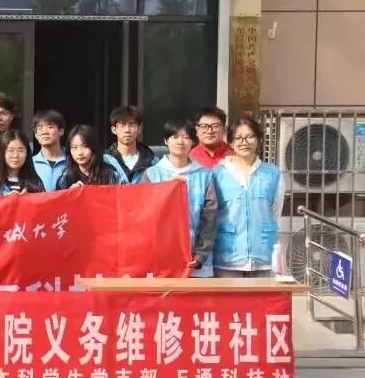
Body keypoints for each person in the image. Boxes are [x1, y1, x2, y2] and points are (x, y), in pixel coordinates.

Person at [142, 120, 218, 277]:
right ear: (166, 141)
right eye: (175, 137)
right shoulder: (152, 174)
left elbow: (210, 219)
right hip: (161, 262)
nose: (180, 142)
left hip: (197, 264)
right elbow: (143, 215)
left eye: (186, 137)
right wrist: (166, 190)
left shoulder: (205, 175)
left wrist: (200, 255)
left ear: (193, 141)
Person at [212, 116, 284, 278]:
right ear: (231, 143)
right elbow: (212, 214)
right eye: (238, 138)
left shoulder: (273, 174)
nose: (244, 142)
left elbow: (275, 212)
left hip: (263, 256)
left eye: (250, 136)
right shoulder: (218, 173)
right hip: (227, 257)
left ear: (259, 140)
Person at [0, 130, 45, 197]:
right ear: (2, 153)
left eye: (20, 150)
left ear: (27, 153)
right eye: (10, 150)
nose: (15, 155)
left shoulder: (36, 183)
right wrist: (6, 201)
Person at [56, 125, 124, 189]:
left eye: (85, 146)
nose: (80, 153)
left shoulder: (109, 173)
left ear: (93, 147)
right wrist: (70, 192)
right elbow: (57, 196)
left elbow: (121, 195)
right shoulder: (66, 176)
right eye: (74, 147)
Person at [106, 105, 159, 184]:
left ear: (139, 129)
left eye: (132, 125)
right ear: (114, 130)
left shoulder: (153, 162)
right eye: (122, 125)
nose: (127, 130)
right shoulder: (105, 161)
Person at [31, 109, 68, 192]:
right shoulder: (30, 164)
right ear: (36, 134)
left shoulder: (72, 161)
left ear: (61, 131)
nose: (44, 132)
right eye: (40, 127)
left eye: (50, 127)